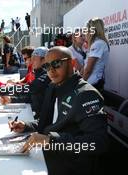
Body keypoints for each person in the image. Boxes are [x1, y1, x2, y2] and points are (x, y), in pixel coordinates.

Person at [9, 46, 108, 175]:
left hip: (70, 166)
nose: (51, 70)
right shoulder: (53, 87)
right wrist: (27, 126)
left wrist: (51, 141)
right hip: (46, 156)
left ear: (72, 63)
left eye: (56, 64)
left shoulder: (85, 94)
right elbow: (53, 123)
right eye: (47, 66)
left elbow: (98, 142)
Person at [0, 47, 50, 119]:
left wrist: (4, 90)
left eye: (35, 59)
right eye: (31, 59)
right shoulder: (38, 73)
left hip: (44, 118)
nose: (32, 62)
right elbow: (31, 96)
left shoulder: (47, 75)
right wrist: (11, 99)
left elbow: (31, 88)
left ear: (44, 60)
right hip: (37, 115)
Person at [83, 18, 110, 92]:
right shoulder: (97, 43)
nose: (86, 32)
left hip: (92, 84)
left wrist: (80, 84)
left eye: (87, 29)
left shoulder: (98, 43)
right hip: (91, 83)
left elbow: (88, 70)